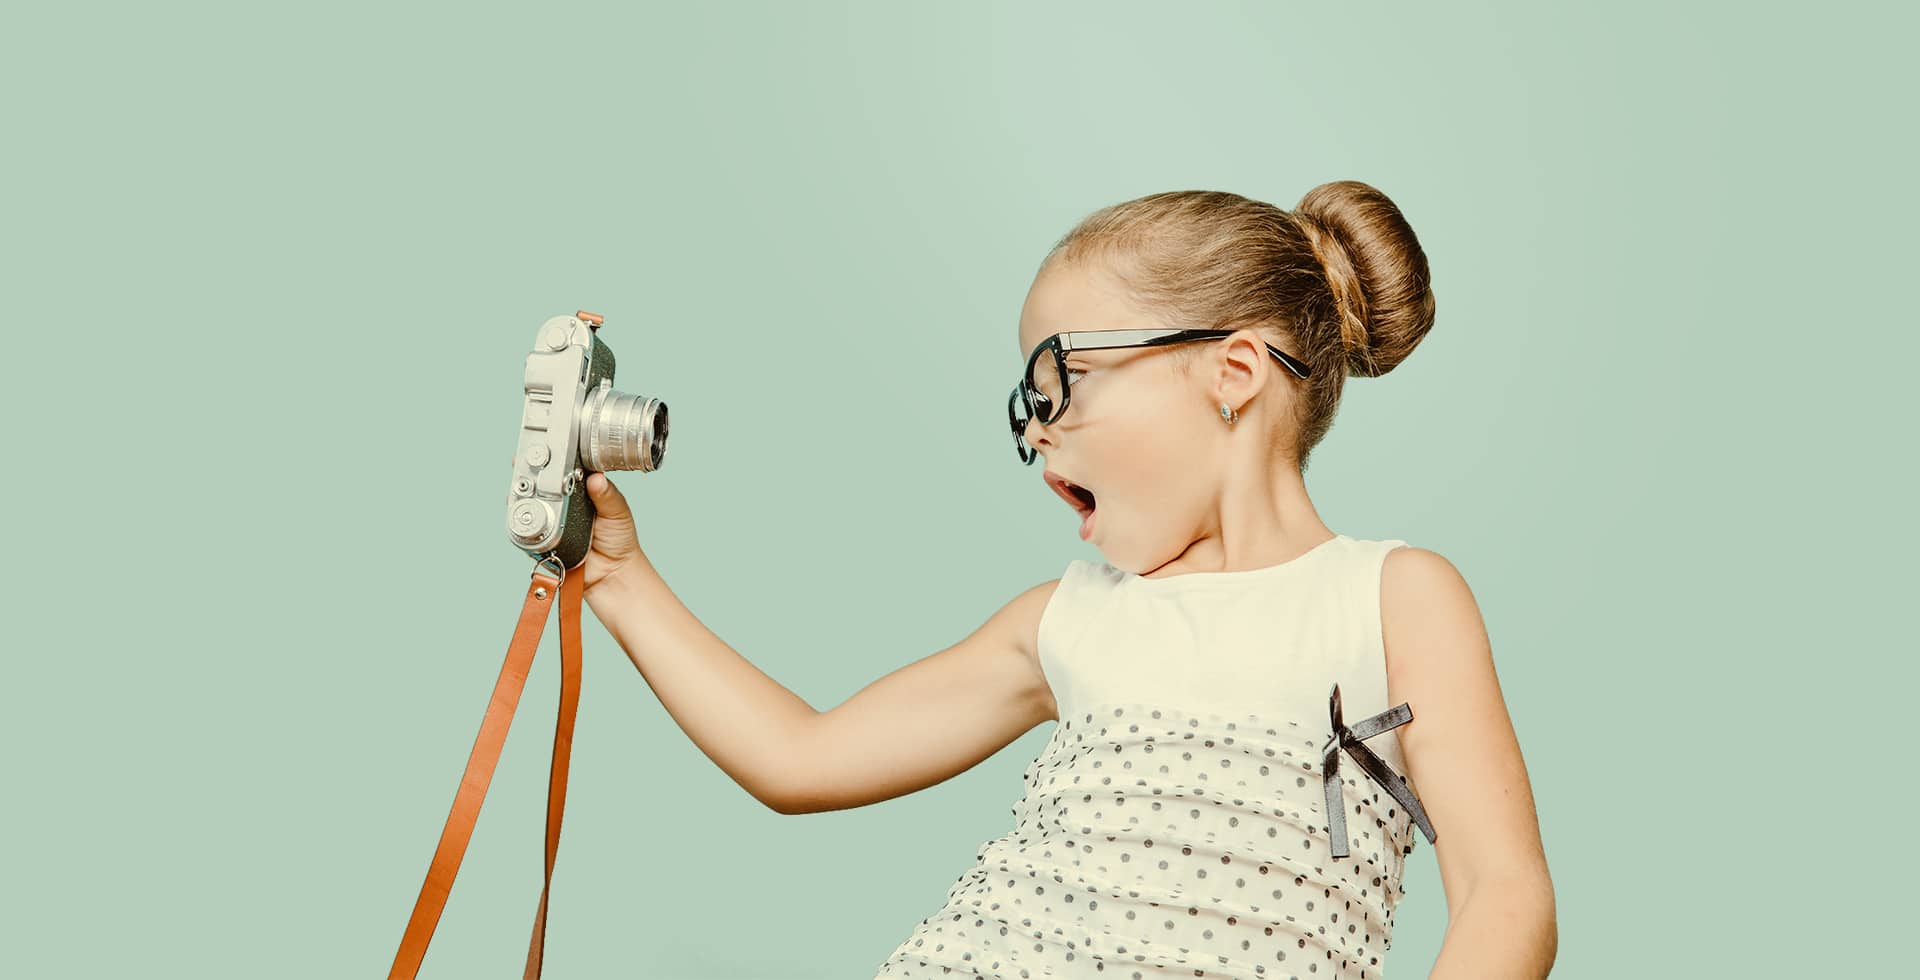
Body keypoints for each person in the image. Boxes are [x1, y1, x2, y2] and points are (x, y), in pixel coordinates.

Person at [575, 181, 1557, 979]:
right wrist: (617, 575)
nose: (1037, 428)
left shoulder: (1391, 598)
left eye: (1059, 381)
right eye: (1027, 401)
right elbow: (801, 755)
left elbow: (1503, 897)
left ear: (1234, 372)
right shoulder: (1067, 619)